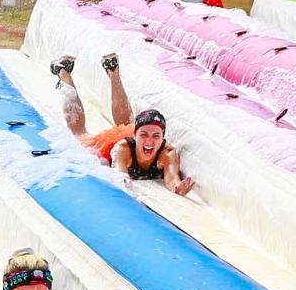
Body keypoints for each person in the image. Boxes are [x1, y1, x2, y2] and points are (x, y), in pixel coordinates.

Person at [51, 54, 194, 195]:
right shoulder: (123, 148)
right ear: (135, 135)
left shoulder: (167, 153)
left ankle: (113, 71)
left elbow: (172, 178)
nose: (150, 141)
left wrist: (177, 187)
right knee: (79, 134)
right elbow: (120, 175)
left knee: (126, 123)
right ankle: (64, 72)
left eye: (156, 135)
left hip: (132, 134)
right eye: (144, 134)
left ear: (163, 138)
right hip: (107, 146)